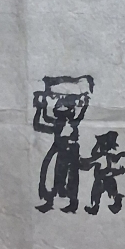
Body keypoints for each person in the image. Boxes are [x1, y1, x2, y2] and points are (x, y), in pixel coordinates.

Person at [33, 75, 94, 214]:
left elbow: (79, 114)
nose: (60, 107)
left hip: (70, 149)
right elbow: (41, 123)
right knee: (55, 174)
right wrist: (40, 107)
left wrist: (85, 103)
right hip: (60, 147)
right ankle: (51, 200)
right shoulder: (59, 122)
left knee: (71, 176)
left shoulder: (71, 121)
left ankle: (71, 203)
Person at [81, 132, 125, 216]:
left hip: (105, 179)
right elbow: (92, 159)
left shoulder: (109, 156)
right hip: (103, 178)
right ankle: (96, 206)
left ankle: (99, 205)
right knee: (98, 191)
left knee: (100, 190)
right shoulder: (102, 156)